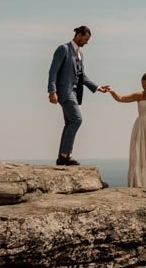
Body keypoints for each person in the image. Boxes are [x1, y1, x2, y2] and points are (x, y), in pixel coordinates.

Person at [47, 25, 110, 166]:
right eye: (86, 39)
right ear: (79, 35)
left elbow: (82, 77)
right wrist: (52, 91)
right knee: (77, 119)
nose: (87, 42)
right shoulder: (63, 49)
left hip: (75, 93)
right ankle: (65, 154)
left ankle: (62, 157)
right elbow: (53, 71)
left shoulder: (81, 54)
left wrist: (98, 87)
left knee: (70, 122)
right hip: (65, 92)